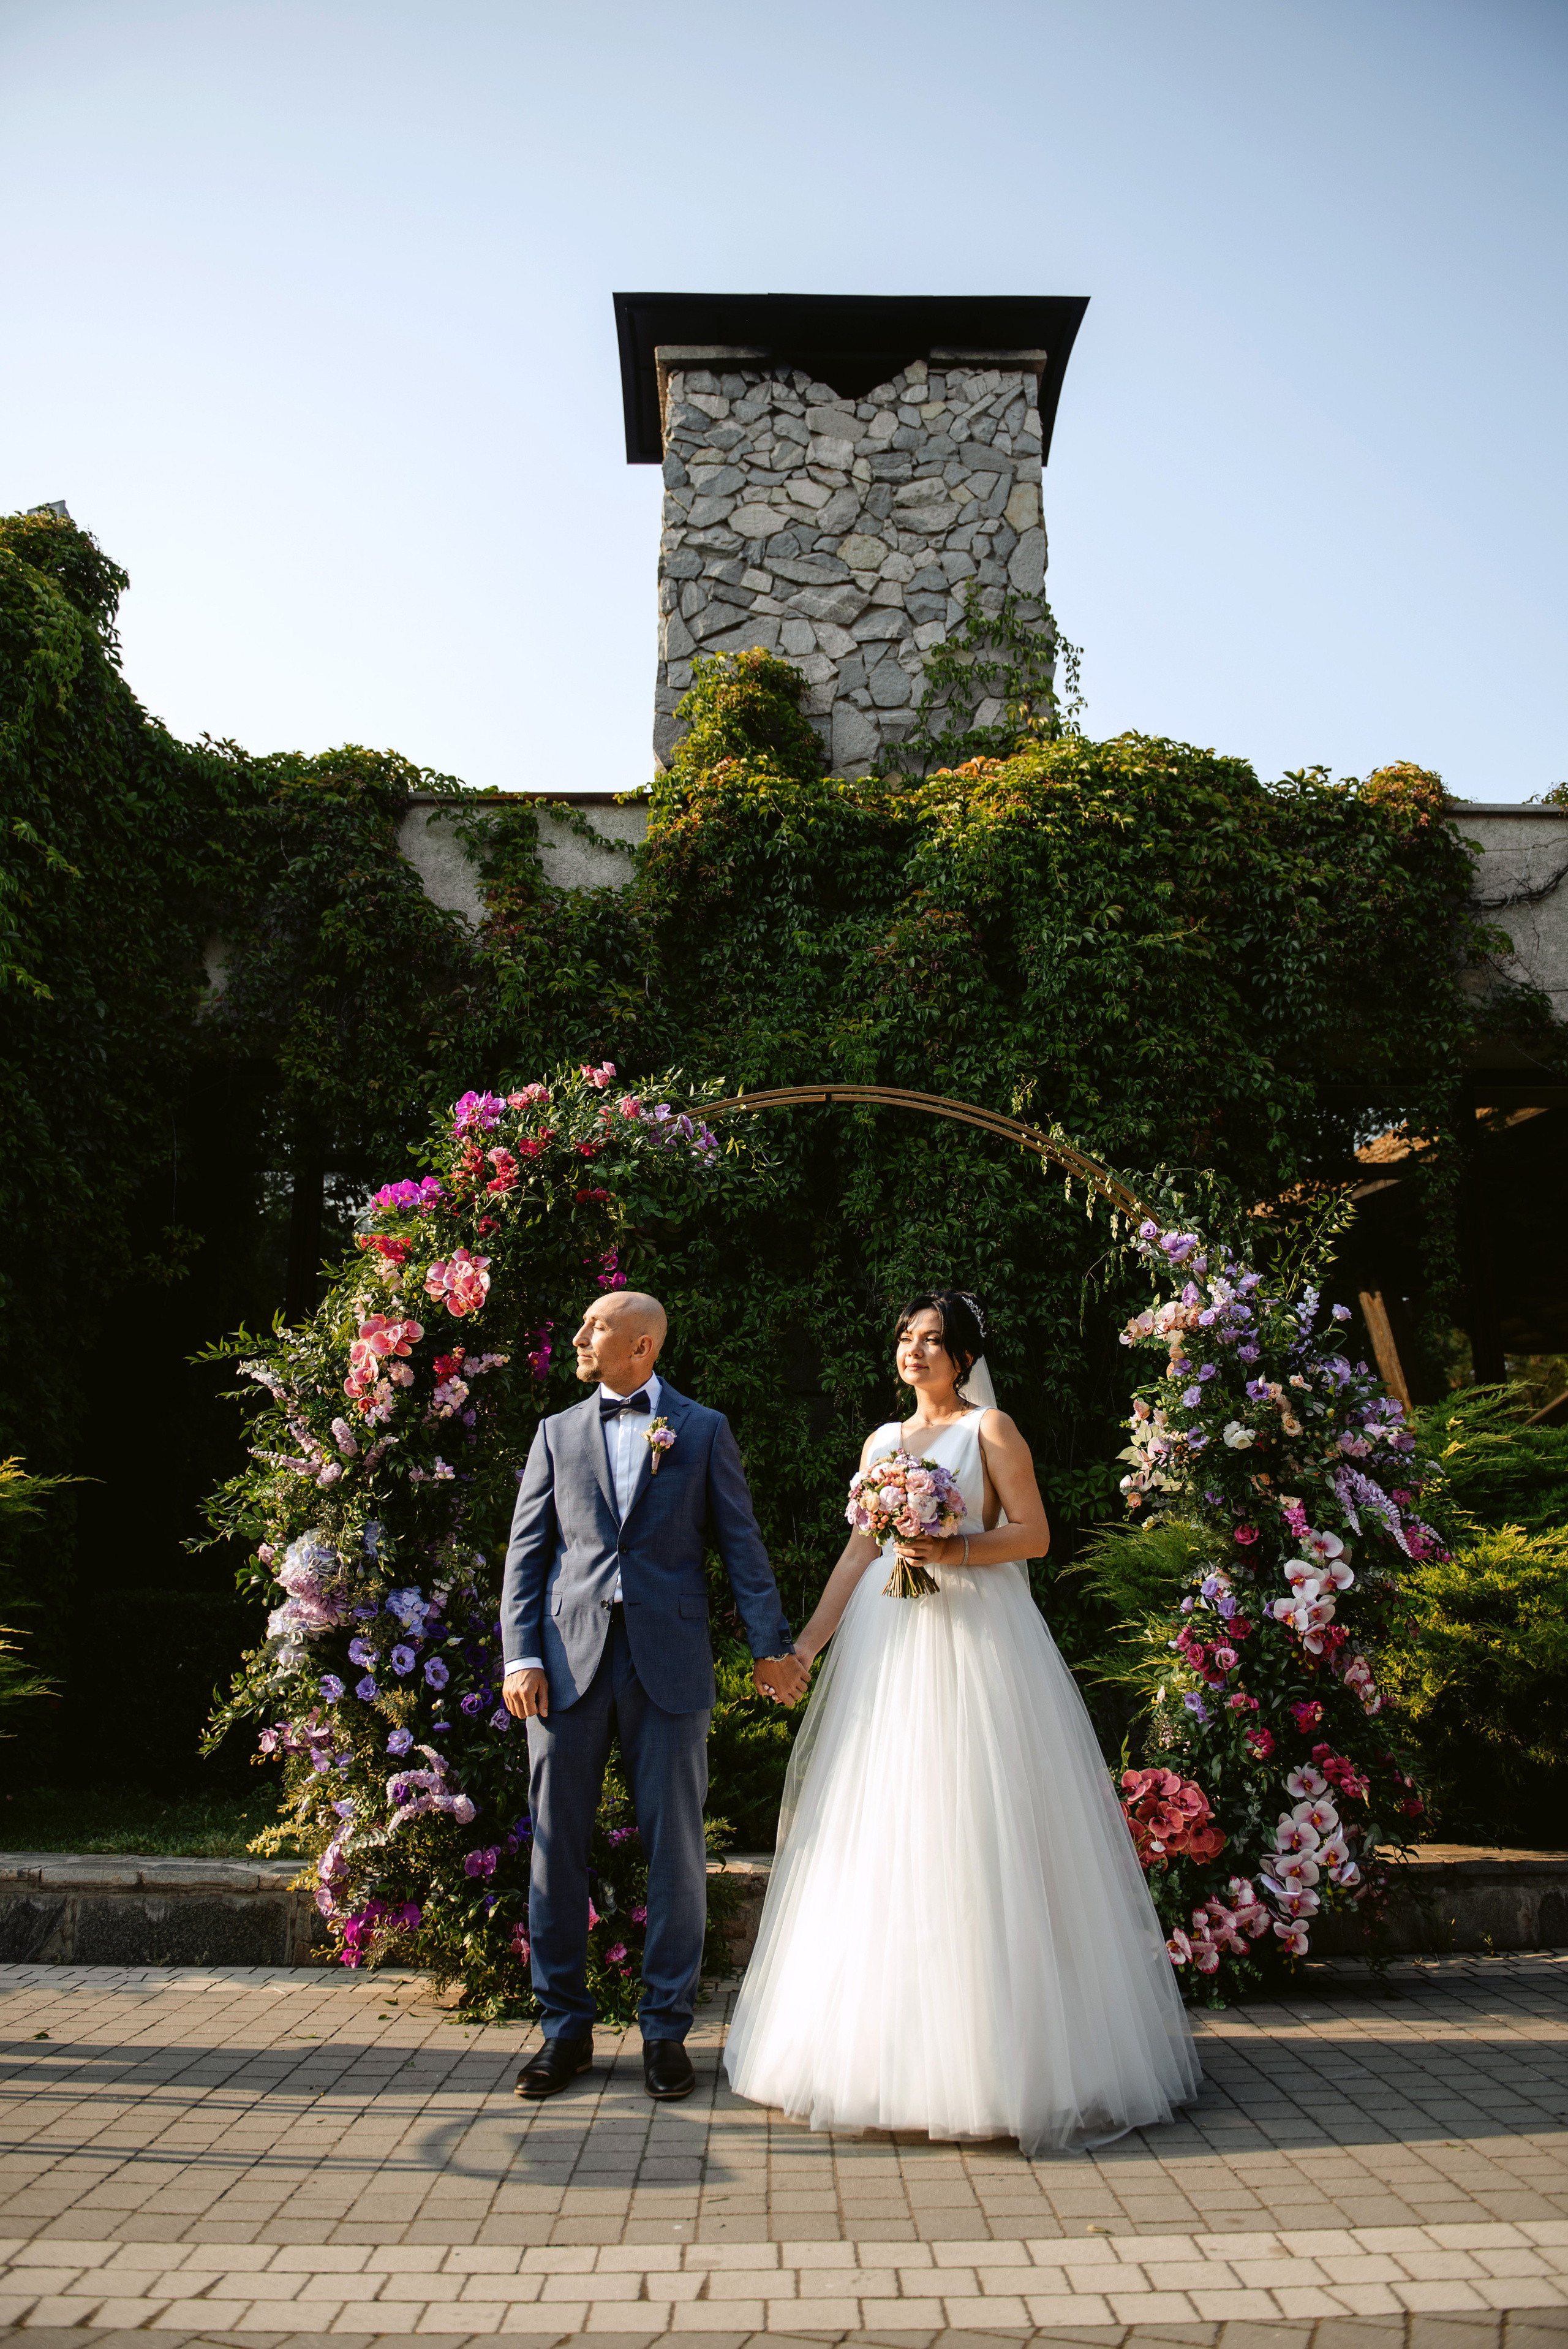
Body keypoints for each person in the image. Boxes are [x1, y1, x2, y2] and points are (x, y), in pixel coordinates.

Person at [724, 1288, 1202, 2154]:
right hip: (889, 1646)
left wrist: (956, 1548)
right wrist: (806, 1647)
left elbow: (1035, 1533)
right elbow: (860, 1548)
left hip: (977, 1643)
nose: (916, 1351)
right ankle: (874, 2052)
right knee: (882, 1831)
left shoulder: (991, 1432)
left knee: (974, 1829)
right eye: (906, 1337)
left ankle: (1000, 2064)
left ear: (965, 1354)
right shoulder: (881, 1442)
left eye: (934, 1340)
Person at [501, 1288, 807, 2103]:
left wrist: (770, 1646)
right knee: (556, 1848)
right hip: (565, 1668)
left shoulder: (702, 1430)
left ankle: (666, 2030)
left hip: (669, 1666)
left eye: (594, 1325)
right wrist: (520, 1654)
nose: (578, 1334)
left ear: (641, 1346)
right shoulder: (555, 1433)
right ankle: (563, 2030)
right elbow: (526, 1557)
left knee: (676, 1852)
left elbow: (742, 1546)